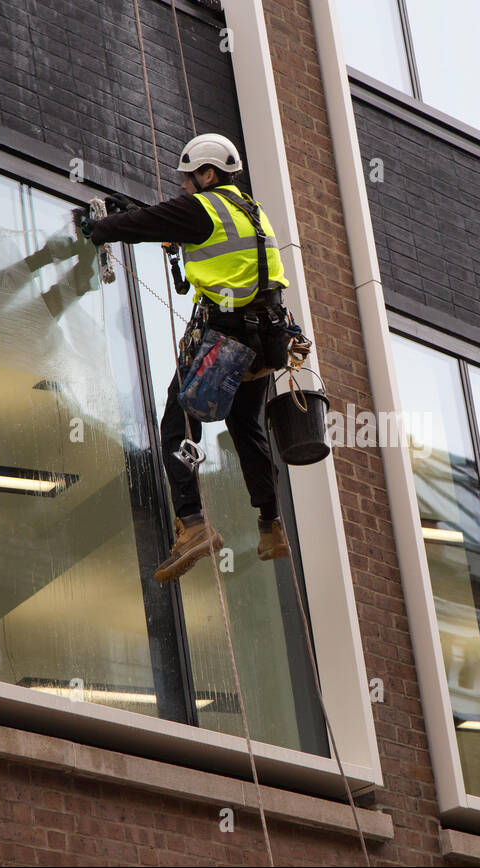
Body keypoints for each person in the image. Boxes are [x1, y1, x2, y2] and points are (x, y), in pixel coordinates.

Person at [80, 132, 291, 583]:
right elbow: (167, 219)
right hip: (268, 339)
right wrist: (135, 211)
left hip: (229, 340)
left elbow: (152, 224)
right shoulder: (251, 211)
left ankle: (192, 524)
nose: (183, 186)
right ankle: (271, 524)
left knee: (177, 422)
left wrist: (99, 229)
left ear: (208, 174)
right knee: (246, 427)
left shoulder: (204, 208)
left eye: (187, 178)